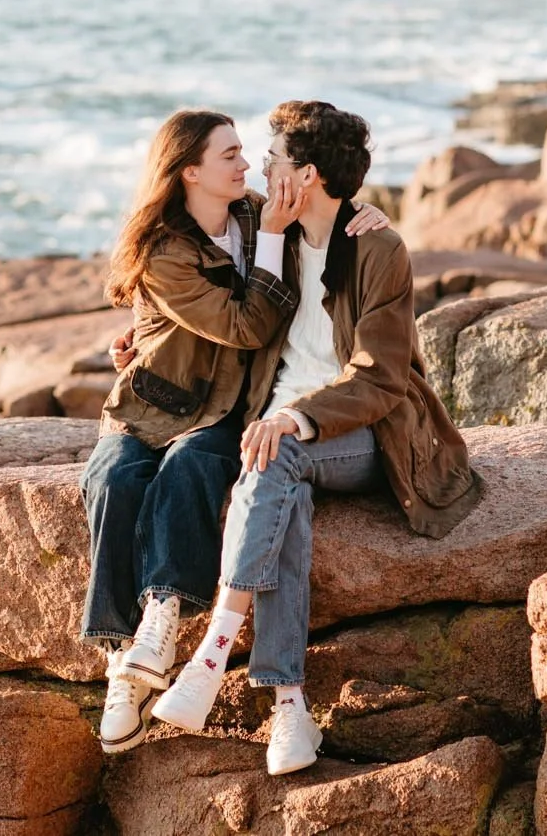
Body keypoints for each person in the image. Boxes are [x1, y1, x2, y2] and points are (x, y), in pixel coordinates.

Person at [145, 100, 483, 776]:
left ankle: (213, 651)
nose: (261, 169)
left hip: (364, 431)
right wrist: (137, 341)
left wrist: (297, 416)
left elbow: (382, 375)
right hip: (275, 432)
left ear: (308, 174)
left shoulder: (376, 247)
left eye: (272, 160)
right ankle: (290, 707)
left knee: (279, 452)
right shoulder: (270, 236)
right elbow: (183, 249)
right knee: (280, 489)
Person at [83, 109, 387, 752]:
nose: (249, 164)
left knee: (197, 465)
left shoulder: (258, 216)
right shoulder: (164, 248)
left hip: (235, 411)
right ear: (189, 170)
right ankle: (124, 660)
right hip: (157, 402)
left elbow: (326, 215)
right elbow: (238, 323)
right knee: (112, 478)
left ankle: (175, 622)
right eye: (231, 155)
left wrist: (375, 217)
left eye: (254, 153)